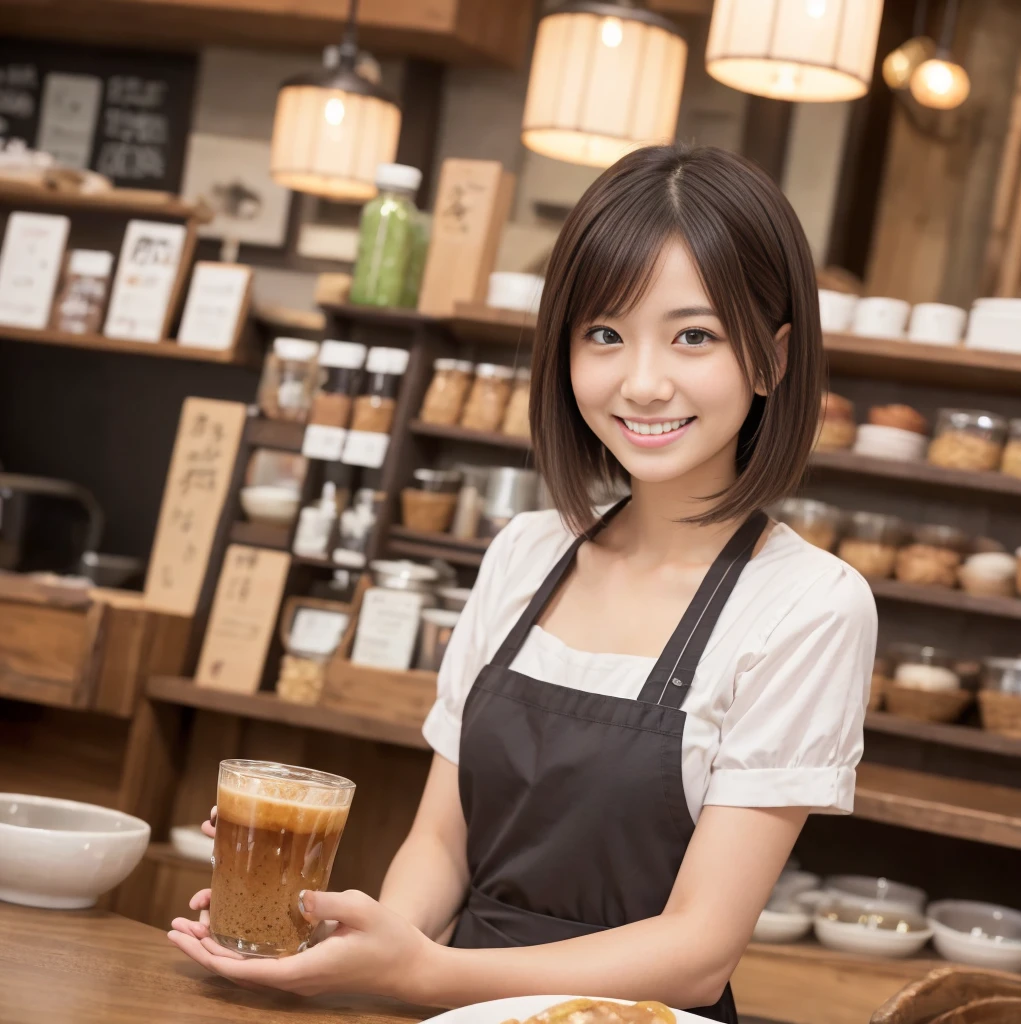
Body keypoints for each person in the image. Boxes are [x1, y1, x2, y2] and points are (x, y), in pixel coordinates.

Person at [169, 144, 876, 1021]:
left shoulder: (810, 604)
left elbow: (696, 955)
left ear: (770, 360)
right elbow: (439, 841)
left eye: (695, 335)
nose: (643, 382)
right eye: (605, 335)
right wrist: (345, 940)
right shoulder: (525, 554)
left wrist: (419, 971)